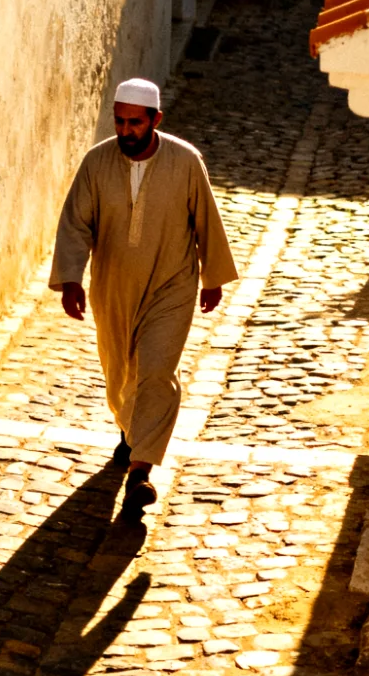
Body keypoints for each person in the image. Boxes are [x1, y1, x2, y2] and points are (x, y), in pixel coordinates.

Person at [50, 78, 238, 520]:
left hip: (171, 284)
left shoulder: (185, 162)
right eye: (119, 121)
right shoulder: (96, 163)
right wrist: (72, 279)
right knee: (119, 370)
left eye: (135, 122)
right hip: (112, 285)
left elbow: (206, 219)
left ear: (156, 120)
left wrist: (212, 277)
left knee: (155, 370)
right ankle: (129, 428)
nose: (126, 130)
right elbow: (76, 222)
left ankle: (141, 470)